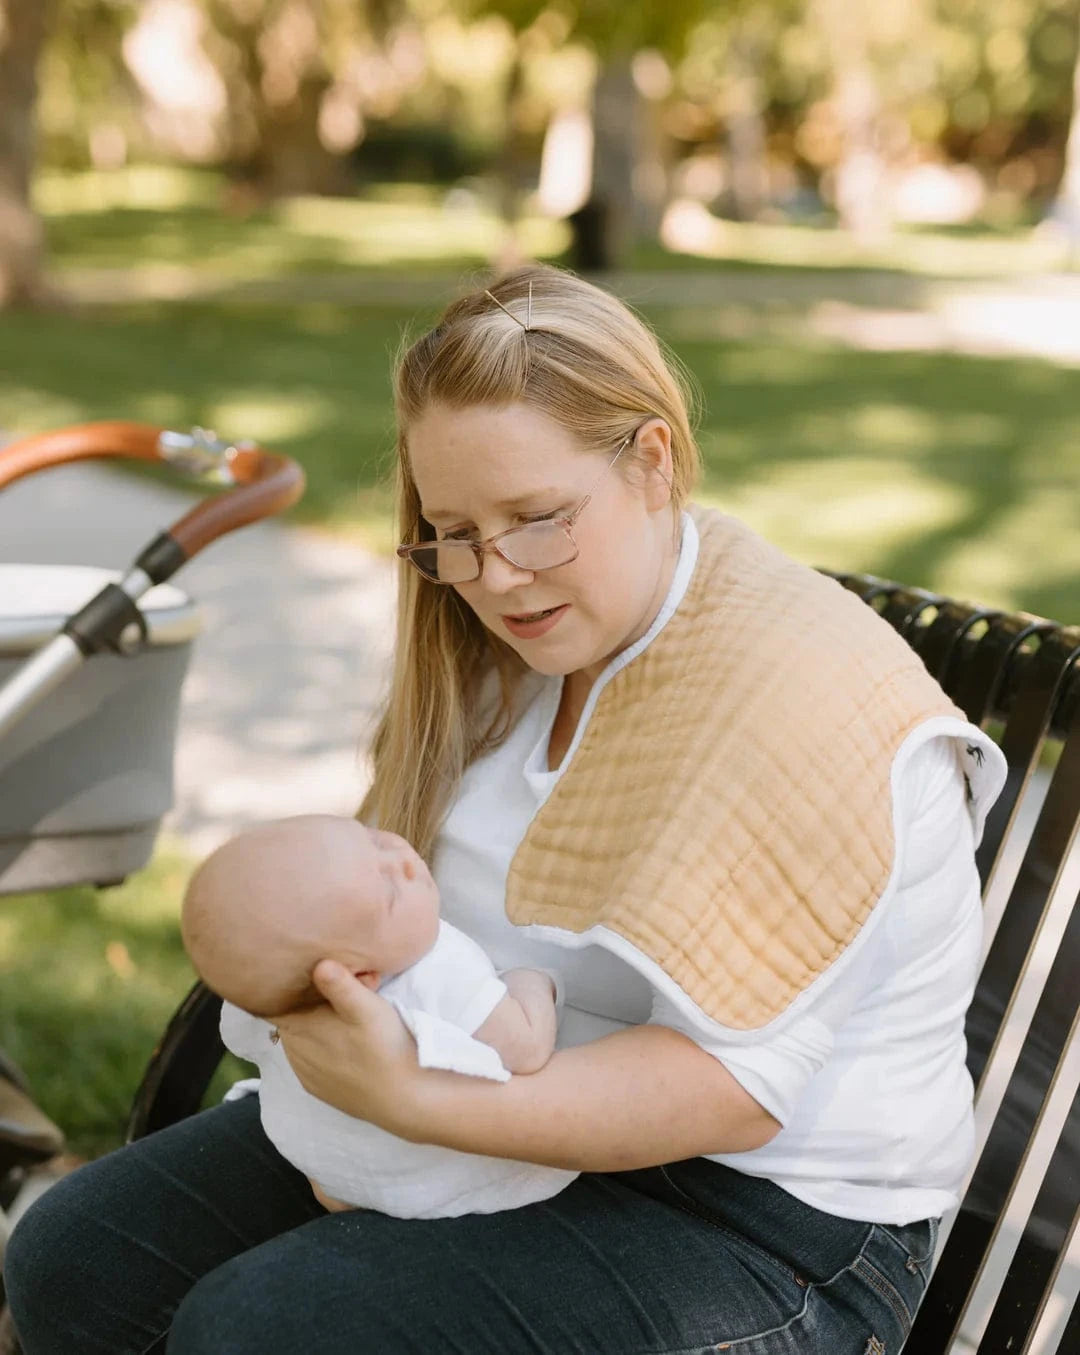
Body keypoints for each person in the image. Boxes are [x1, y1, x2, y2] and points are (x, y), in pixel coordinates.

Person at [6, 262, 1007, 1355]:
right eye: (454, 530)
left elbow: (731, 1093)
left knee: (262, 1330)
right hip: (497, 1118)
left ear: (653, 463)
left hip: (762, 1220)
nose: (496, 578)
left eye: (536, 519)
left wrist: (412, 1107)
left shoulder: (796, 690)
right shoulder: (505, 650)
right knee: (77, 1256)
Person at [180, 813, 574, 1216]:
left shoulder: (294, 1001)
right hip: (434, 1174)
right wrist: (533, 981)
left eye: (373, 840)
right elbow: (525, 1048)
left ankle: (356, 1187)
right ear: (361, 977)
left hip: (329, 1163)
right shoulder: (437, 974)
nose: (403, 860)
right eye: (389, 891)